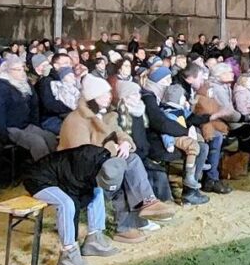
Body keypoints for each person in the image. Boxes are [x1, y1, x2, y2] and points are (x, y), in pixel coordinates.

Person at [59, 75, 175, 243]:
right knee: (124, 171)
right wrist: (113, 148)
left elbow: (119, 132)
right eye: (104, 94)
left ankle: (144, 208)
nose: (109, 96)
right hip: (77, 171)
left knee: (131, 160)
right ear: (93, 97)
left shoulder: (106, 115)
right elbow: (81, 155)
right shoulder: (76, 120)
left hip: (103, 164)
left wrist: (125, 143)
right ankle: (129, 222)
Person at [23, 145, 122, 265]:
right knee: (67, 203)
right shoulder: (81, 166)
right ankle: (67, 254)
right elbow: (73, 196)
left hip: (60, 177)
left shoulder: (104, 163)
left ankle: (94, 239)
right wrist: (74, 239)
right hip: (38, 179)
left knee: (98, 190)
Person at [142, 67, 210, 204]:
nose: (169, 82)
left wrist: (198, 120)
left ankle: (190, 190)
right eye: (166, 79)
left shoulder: (161, 95)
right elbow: (159, 123)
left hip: (165, 134)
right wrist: (184, 131)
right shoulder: (149, 97)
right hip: (156, 140)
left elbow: (179, 115)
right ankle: (190, 191)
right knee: (199, 147)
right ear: (158, 81)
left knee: (202, 146)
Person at [170, 64, 232, 195]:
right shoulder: (179, 90)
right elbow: (186, 118)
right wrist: (215, 116)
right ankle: (206, 180)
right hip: (182, 128)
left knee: (216, 136)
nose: (202, 82)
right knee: (211, 140)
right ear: (191, 78)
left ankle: (210, 177)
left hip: (191, 124)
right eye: (200, 78)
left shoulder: (189, 88)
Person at [0, 56, 57, 161]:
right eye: (18, 69)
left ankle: (57, 165)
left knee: (50, 137)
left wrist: (35, 124)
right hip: (10, 127)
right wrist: (3, 135)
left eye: (22, 68)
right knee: (37, 142)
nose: (22, 72)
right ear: (8, 70)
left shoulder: (24, 83)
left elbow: (34, 104)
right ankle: (43, 170)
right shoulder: (0, 86)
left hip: (26, 124)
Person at [36, 54, 76, 135]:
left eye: (69, 63)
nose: (68, 66)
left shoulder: (65, 78)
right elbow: (49, 104)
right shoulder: (47, 81)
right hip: (50, 119)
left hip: (64, 115)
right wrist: (70, 108)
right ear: (56, 65)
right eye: (65, 63)